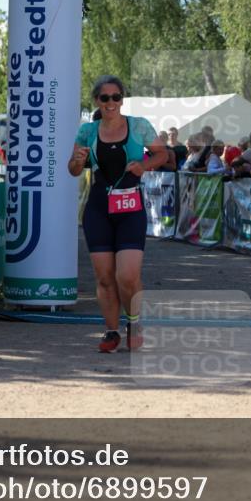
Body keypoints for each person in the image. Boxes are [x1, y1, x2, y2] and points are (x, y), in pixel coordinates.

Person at [68, 75, 168, 352]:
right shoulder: (87, 131)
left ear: (122, 100)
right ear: (96, 101)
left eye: (116, 97)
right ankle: (111, 331)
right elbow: (73, 169)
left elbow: (163, 155)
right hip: (98, 209)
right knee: (104, 277)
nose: (111, 102)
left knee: (127, 275)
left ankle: (134, 322)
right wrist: (77, 161)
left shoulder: (138, 126)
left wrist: (143, 165)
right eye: (105, 98)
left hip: (130, 208)